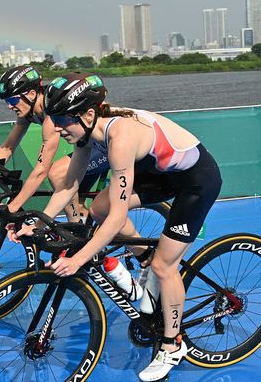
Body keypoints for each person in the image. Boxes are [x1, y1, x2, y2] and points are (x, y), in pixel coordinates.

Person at [13, 72, 222, 382]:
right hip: (161, 174)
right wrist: (38, 222)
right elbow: (68, 187)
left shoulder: (120, 139)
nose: (55, 126)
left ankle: (173, 344)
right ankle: (145, 263)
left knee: (165, 266)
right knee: (98, 206)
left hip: (196, 181)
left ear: (86, 114)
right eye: (54, 117)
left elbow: (117, 217)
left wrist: (78, 259)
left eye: (61, 119)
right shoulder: (86, 132)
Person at [0, 65, 109, 221]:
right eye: (6, 100)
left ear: (32, 94)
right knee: (78, 205)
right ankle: (90, 236)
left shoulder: (51, 116)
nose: (9, 106)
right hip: (86, 146)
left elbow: (41, 170)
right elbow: (8, 146)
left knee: (56, 173)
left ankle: (76, 228)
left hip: (105, 145)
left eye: (13, 99)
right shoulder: (27, 112)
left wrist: (13, 206)